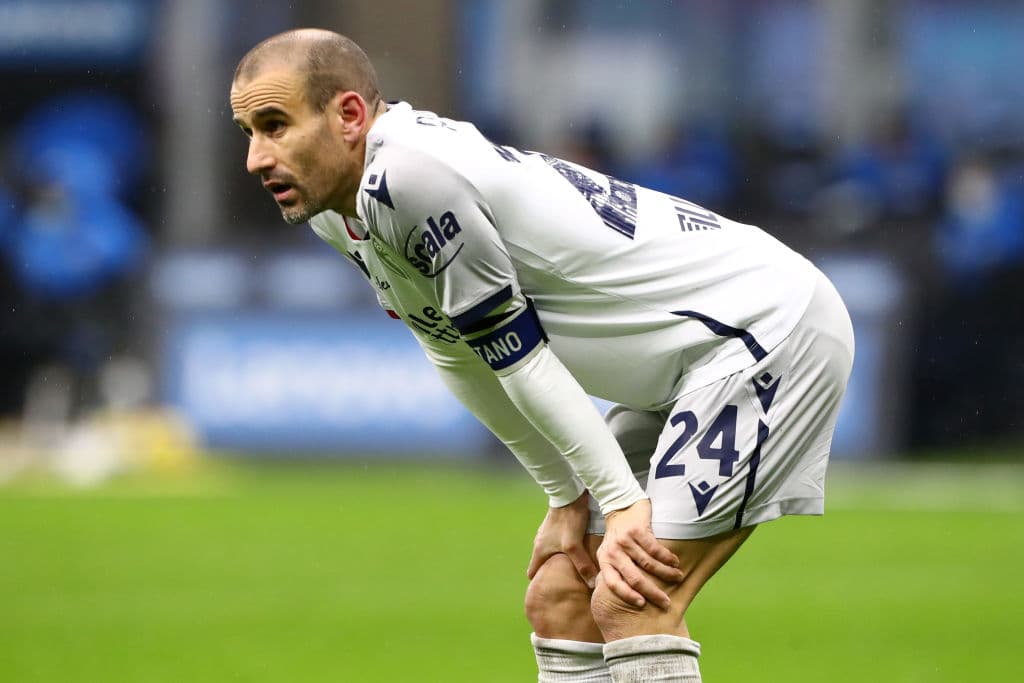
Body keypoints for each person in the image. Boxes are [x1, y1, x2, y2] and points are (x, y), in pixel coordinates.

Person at [230, 29, 854, 682]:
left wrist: (619, 502)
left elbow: (518, 358)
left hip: (766, 332)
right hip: (688, 368)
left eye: (274, 125)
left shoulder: (412, 177)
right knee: (561, 596)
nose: (254, 157)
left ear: (350, 116)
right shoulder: (343, 209)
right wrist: (567, 493)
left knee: (631, 594)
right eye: (248, 130)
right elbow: (457, 355)